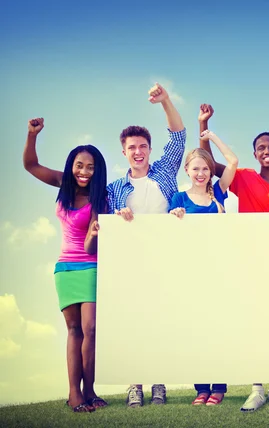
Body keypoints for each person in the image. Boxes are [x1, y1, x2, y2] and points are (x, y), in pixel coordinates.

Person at [198, 104, 269, 411]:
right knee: (255, 321)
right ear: (255, 154)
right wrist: (203, 127)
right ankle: (257, 386)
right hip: (251, 260)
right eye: (261, 147)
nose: (267, 150)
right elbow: (207, 164)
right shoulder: (243, 178)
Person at [106, 82, 186, 407]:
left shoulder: (164, 173)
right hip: (130, 264)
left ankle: (158, 383)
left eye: (142, 146)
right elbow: (106, 226)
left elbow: (179, 137)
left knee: (160, 320)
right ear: (123, 152)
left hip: (164, 259)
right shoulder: (114, 188)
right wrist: (117, 213)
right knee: (133, 321)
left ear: (150, 149)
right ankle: (134, 384)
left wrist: (165, 100)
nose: (137, 151)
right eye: (131, 147)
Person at [23, 117, 108, 412]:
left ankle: (90, 390)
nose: (84, 172)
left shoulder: (100, 198)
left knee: (91, 328)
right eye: (80, 165)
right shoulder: (61, 182)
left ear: (98, 171)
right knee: (74, 331)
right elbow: (31, 166)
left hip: (91, 265)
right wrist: (32, 135)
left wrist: (95, 234)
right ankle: (74, 393)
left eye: (91, 167)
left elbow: (89, 247)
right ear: (72, 165)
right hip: (65, 268)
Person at [170, 128, 238, 406]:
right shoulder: (178, 200)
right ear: (187, 170)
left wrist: (212, 139)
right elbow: (170, 238)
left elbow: (232, 162)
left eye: (206, 169)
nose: (201, 173)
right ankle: (201, 389)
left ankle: (219, 388)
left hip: (219, 272)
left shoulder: (219, 194)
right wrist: (175, 218)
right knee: (196, 330)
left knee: (219, 329)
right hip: (191, 274)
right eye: (196, 168)